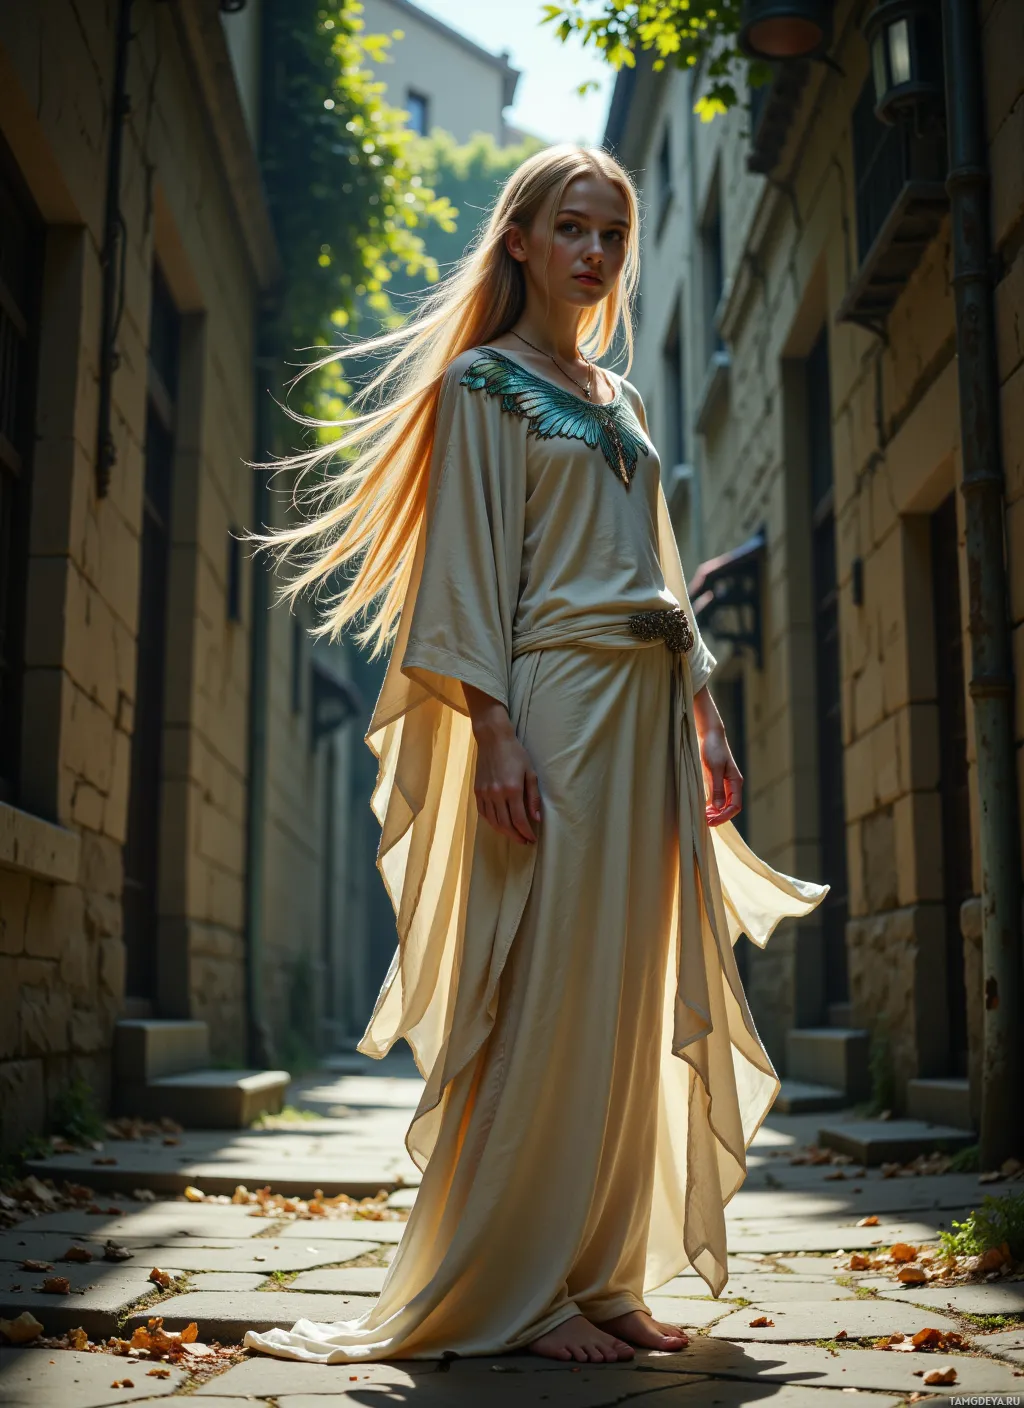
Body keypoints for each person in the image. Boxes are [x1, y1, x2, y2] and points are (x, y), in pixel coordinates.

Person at [243, 144, 827, 1367]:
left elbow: (657, 564)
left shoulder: (621, 398)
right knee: (547, 983)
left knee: (627, 991)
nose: (595, 251)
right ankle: (517, 1280)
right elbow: (462, 569)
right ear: (520, 239)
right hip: (555, 708)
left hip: (651, 715)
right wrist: (494, 728)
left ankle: (602, 1269)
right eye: (573, 227)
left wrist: (706, 716)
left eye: (612, 233)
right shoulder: (483, 384)